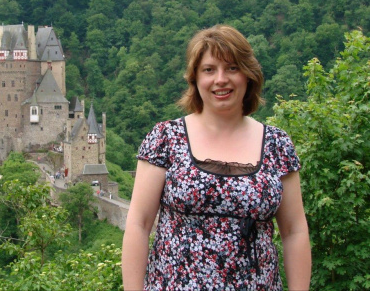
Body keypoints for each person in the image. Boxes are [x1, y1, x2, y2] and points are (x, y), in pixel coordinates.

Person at [122, 25, 311, 290]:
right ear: (195, 78)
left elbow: (294, 232)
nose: (220, 79)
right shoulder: (166, 138)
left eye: (232, 68)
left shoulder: (277, 146)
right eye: (209, 70)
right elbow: (139, 224)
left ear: (248, 75)